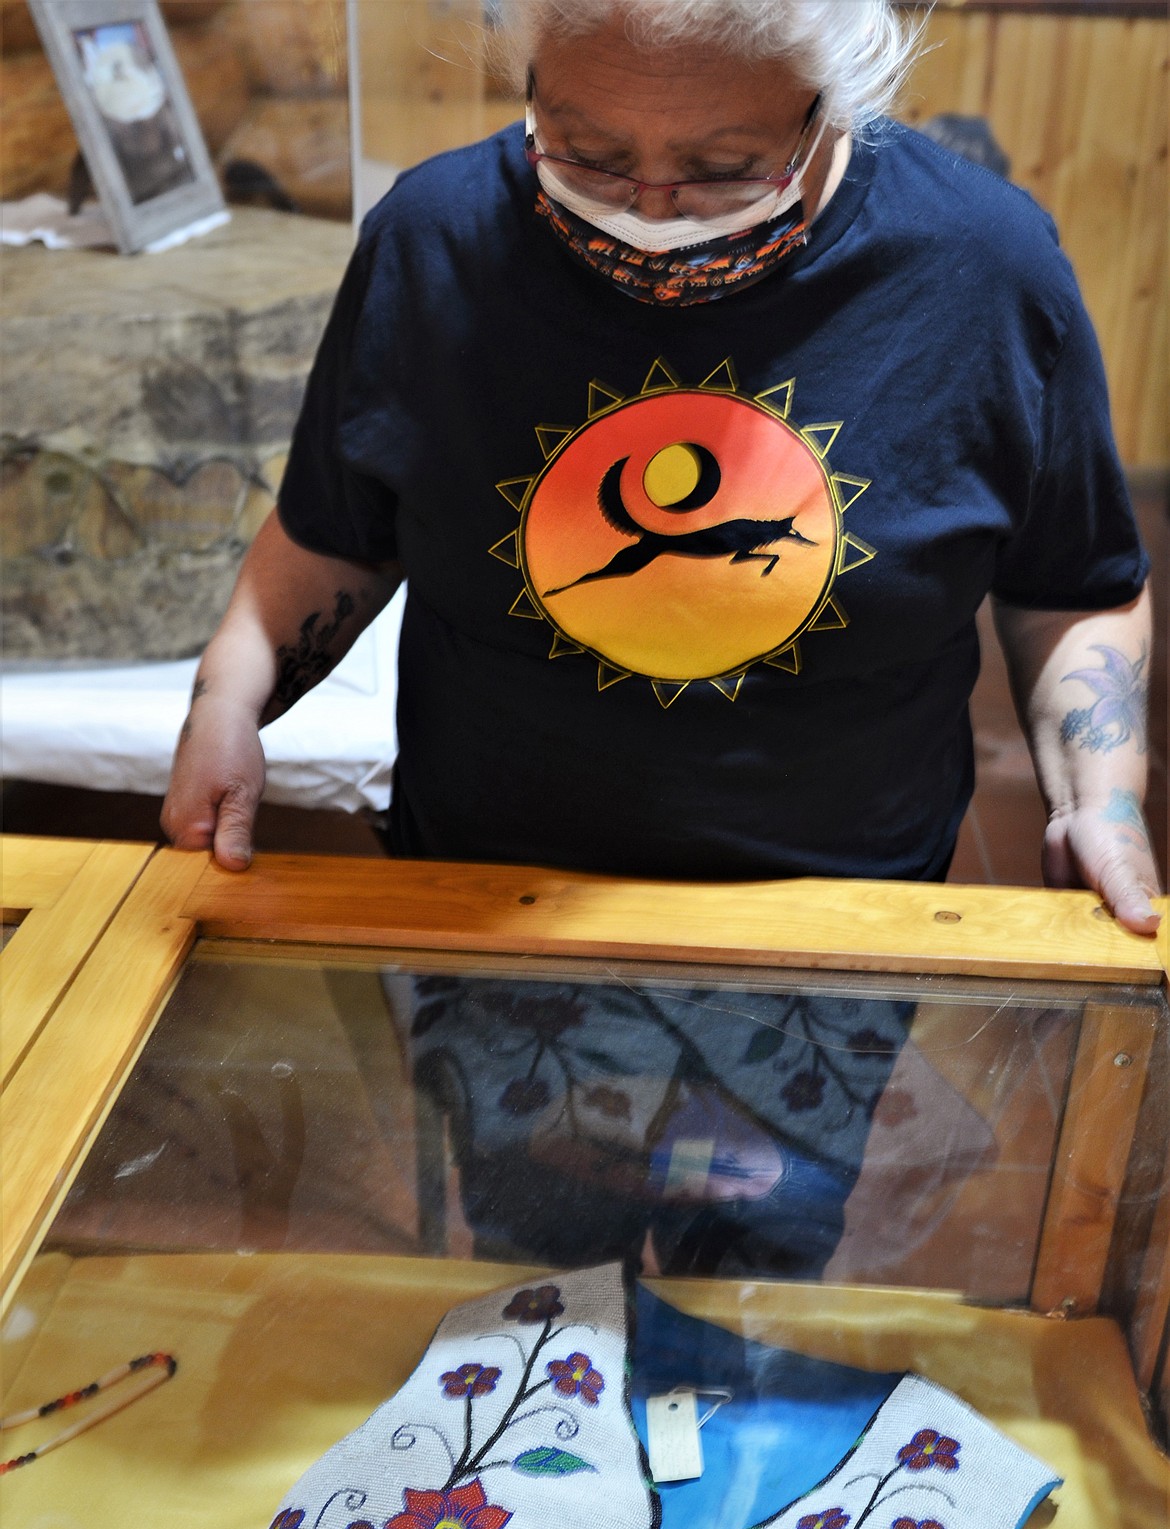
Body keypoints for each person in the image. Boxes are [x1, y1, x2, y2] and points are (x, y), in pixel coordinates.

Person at [162, 0, 1158, 939]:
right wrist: (229, 702)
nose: (649, 208)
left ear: (829, 104)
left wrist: (1099, 799)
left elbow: (1072, 588)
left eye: (724, 166)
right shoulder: (432, 242)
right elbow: (338, 530)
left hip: (844, 908)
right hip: (479, 897)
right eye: (587, 154)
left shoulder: (986, 270)